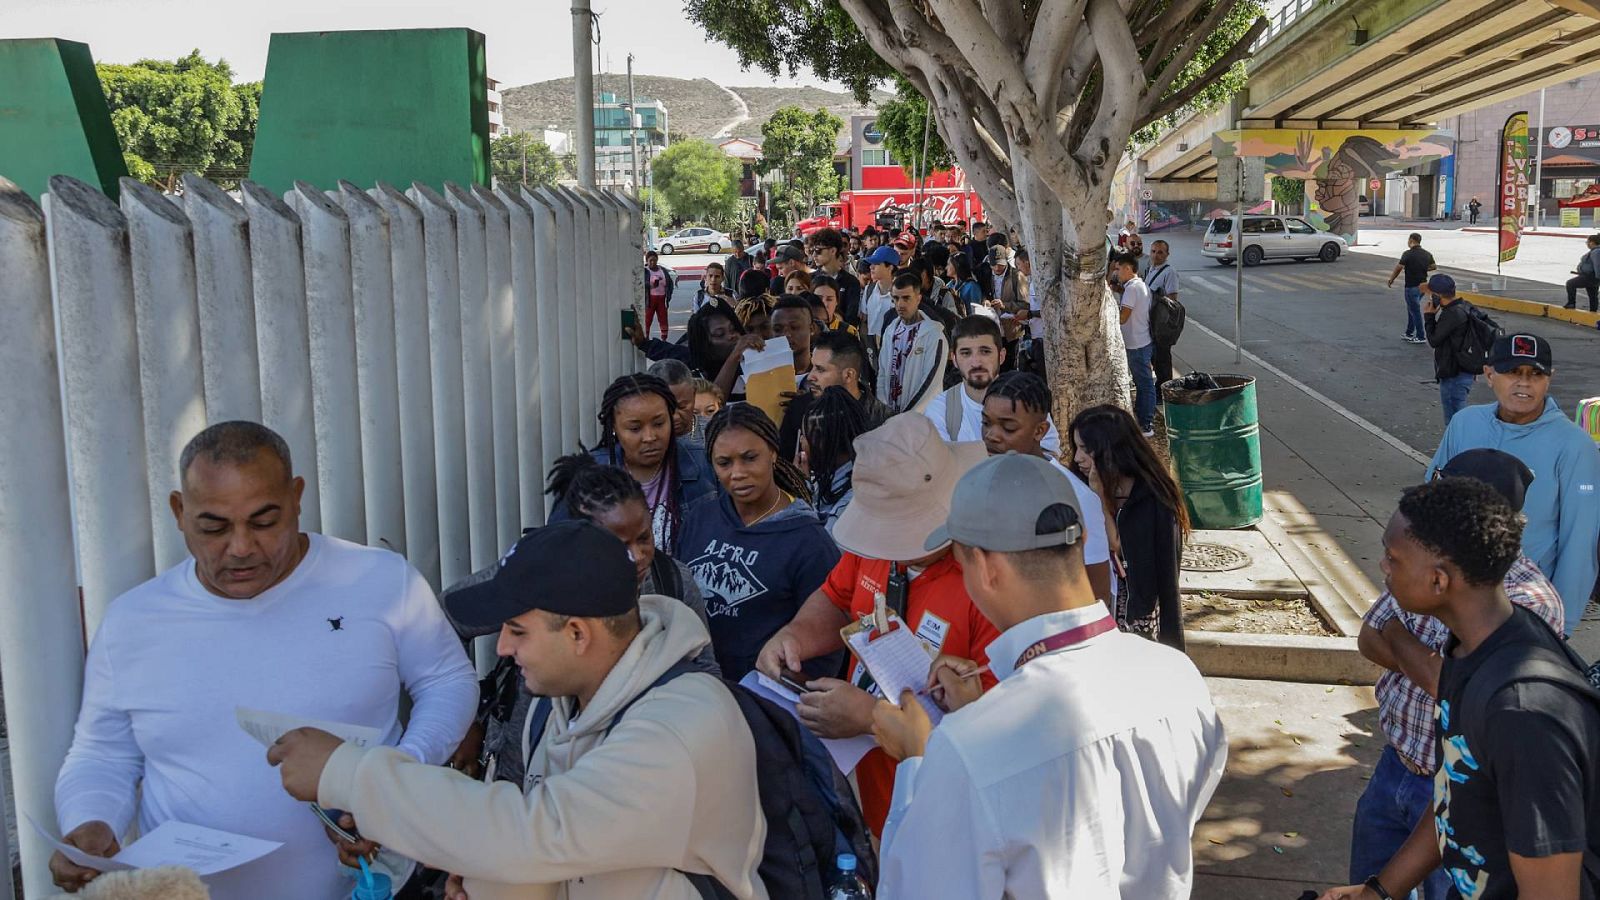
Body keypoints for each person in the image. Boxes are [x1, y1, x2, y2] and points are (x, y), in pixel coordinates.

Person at [52, 422, 477, 900]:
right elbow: (102, 753)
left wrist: (392, 778)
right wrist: (90, 822)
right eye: (213, 527)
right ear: (178, 512)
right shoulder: (133, 620)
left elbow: (447, 682)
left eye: (263, 522)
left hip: (372, 888)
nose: (240, 547)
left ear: (296, 498)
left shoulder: (378, 580)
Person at [269, 521, 769, 900]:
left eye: (517, 630)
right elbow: (554, 853)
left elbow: (537, 834)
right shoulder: (558, 705)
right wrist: (487, 881)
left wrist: (349, 774)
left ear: (578, 634)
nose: (503, 648)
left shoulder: (678, 727)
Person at [871, 452, 1227, 898]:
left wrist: (916, 758)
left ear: (986, 567)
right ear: (1079, 542)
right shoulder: (1179, 677)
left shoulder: (965, 750)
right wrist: (981, 713)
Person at [1315, 478, 1600, 900]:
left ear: (1439, 581)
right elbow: (1455, 790)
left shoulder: (1523, 715)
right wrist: (1379, 891)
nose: (1383, 567)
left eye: (1393, 558)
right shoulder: (1467, 649)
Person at [756, 414, 994, 837]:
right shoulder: (873, 548)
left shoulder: (987, 584)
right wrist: (793, 637)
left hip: (946, 820)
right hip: (875, 799)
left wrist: (869, 718)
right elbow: (837, 598)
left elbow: (990, 726)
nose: (893, 548)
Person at [446, 454, 722, 790]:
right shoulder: (536, 577)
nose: (637, 557)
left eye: (644, 538)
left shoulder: (674, 582)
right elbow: (449, 615)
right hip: (521, 767)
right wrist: (460, 718)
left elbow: (706, 670)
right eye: (619, 544)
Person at [1427, 333, 1600, 635]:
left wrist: (1560, 626)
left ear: (1549, 379)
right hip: (1449, 594)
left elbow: (1579, 543)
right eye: (1512, 372)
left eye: (1536, 374)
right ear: (1489, 374)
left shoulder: (1574, 446)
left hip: (1521, 611)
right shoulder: (1465, 423)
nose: (1524, 383)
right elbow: (1430, 500)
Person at [678, 403, 840, 679]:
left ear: (773, 453)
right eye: (724, 463)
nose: (738, 473)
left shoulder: (810, 542)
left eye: (750, 458)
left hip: (763, 695)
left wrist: (780, 689)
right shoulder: (700, 518)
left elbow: (827, 642)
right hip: (698, 688)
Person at [979, 371, 1114, 600]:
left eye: (1008, 427)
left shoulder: (1076, 498)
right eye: (986, 423)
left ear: (1040, 431)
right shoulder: (978, 482)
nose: (991, 435)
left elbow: (1097, 594)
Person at [555, 374, 717, 554]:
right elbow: (560, 545)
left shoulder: (705, 462)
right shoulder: (587, 475)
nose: (649, 437)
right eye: (635, 428)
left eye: (659, 423)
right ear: (614, 428)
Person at [1070, 404, 1190, 648]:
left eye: (1085, 449)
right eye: (1076, 448)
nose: (1077, 458)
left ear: (1111, 449)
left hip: (1137, 614)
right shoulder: (1078, 486)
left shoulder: (1154, 499)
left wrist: (1099, 499)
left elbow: (1117, 547)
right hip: (1092, 608)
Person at [924, 316, 1063, 452]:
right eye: (966, 353)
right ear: (954, 359)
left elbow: (1048, 454)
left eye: (985, 352)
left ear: (1001, 356)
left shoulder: (1027, 400)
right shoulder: (941, 409)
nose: (976, 362)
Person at [877, 272, 949, 415]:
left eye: (906, 298)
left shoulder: (934, 335)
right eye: (896, 298)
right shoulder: (891, 330)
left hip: (921, 418)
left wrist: (907, 417)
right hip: (890, 417)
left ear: (918, 298)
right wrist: (884, 410)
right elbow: (882, 373)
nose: (900, 304)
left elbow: (930, 383)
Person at [801, 386, 869, 534]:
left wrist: (803, 491)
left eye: (805, 436)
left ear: (820, 440)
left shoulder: (854, 495)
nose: (802, 443)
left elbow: (821, 542)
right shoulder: (826, 477)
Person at [1421, 273, 1478, 425]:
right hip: (1465, 370)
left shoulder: (1451, 314)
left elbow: (1434, 340)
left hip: (1454, 374)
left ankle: (1458, 441)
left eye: (1431, 294)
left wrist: (1429, 317)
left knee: (1454, 420)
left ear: (1437, 296)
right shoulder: (1464, 306)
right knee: (1458, 417)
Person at [808, 330, 891, 428]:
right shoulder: (803, 409)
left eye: (820, 370)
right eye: (812, 367)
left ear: (848, 375)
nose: (810, 377)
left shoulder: (885, 424)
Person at [1116, 252, 1158, 437]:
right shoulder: (1139, 285)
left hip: (1137, 344)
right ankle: (1143, 419)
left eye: (1118, 269)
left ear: (1127, 268)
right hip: (1140, 342)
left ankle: (1146, 424)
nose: (1116, 273)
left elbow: (1123, 318)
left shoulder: (1132, 288)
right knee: (1143, 384)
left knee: (1145, 384)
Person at [1143, 240, 1182, 384]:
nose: (1155, 255)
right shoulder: (1151, 269)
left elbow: (1172, 300)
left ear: (1167, 254)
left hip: (1161, 325)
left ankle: (1165, 388)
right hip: (1150, 322)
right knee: (1155, 358)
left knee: (1162, 360)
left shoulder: (1169, 272)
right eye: (1153, 251)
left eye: (1160, 252)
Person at [1386, 233, 1436, 344]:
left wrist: (1392, 279)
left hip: (1411, 286)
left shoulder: (1408, 254)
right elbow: (1433, 266)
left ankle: (1420, 336)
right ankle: (1409, 333)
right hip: (1423, 286)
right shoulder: (1427, 254)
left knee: (1415, 311)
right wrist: (1423, 269)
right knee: (1411, 309)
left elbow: (1399, 267)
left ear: (1411, 240)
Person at [808, 227, 862, 325]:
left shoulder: (851, 282)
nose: (814, 255)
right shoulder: (809, 279)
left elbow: (851, 318)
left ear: (833, 251)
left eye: (818, 250)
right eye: (812, 251)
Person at [647, 358, 703, 446]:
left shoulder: (715, 433)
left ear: (694, 393)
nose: (675, 417)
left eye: (682, 406)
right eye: (667, 408)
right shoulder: (645, 439)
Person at [861, 245, 900, 350]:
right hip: (871, 349)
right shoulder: (868, 290)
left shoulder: (900, 296)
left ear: (890, 267)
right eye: (871, 264)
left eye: (876, 264)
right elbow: (864, 320)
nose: (871, 267)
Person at [1562, 233, 1600, 311]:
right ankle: (1593, 311)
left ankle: (1571, 303)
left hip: (1590, 277)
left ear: (1592, 242)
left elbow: (1597, 265)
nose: (1587, 244)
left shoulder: (1596, 252)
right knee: (1593, 295)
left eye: (1587, 242)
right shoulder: (1595, 251)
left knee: (1570, 284)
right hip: (1592, 277)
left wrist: (1597, 277)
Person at [642, 250, 675, 341]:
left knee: (663, 319)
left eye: (654, 260)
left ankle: (664, 339)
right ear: (647, 261)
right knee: (648, 319)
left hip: (662, 299)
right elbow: (641, 284)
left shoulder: (662, 270)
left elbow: (669, 283)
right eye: (650, 261)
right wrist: (650, 285)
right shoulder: (645, 271)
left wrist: (669, 295)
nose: (653, 262)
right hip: (650, 300)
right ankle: (646, 338)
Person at [947, 253, 984, 317]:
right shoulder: (950, 285)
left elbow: (975, 313)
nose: (946, 267)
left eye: (949, 264)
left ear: (956, 265)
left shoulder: (972, 286)